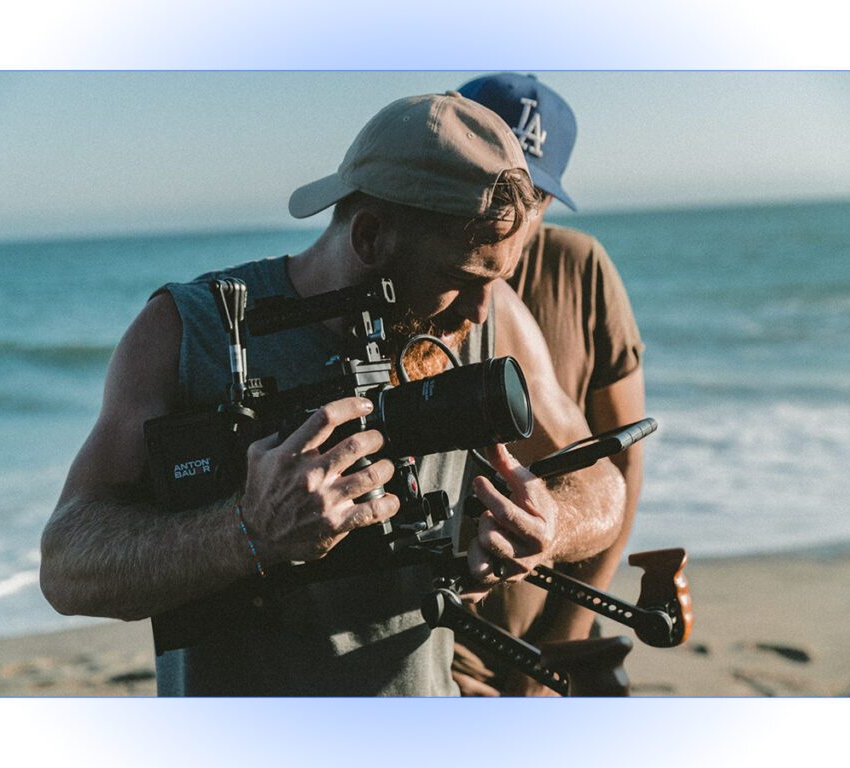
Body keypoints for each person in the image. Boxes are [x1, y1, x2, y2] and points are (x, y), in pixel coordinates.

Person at [39, 91, 625, 696]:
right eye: (461, 279)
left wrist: (551, 525)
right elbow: (66, 567)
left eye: (499, 277)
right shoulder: (187, 333)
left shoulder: (493, 311)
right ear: (370, 237)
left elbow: (603, 480)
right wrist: (247, 531)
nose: (482, 312)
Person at [451, 73, 647, 696]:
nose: (512, 212)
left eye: (533, 193)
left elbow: (623, 463)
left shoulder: (582, 268)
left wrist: (564, 638)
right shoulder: (426, 272)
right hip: (442, 627)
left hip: (551, 616)